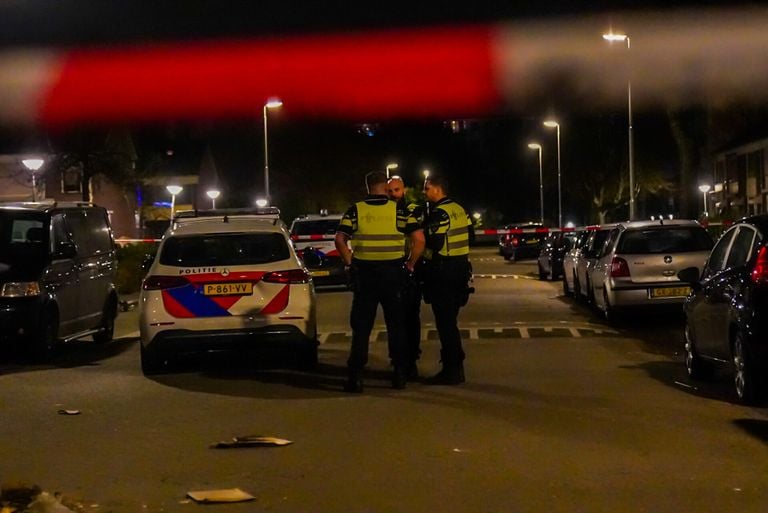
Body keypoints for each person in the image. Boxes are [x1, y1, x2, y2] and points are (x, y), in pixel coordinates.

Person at [335, 171, 425, 393]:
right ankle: (399, 374)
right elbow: (419, 240)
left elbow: (340, 239)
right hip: (394, 275)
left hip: (365, 276)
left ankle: (356, 376)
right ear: (385, 187)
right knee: (397, 325)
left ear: (367, 188)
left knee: (361, 327)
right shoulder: (400, 210)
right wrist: (410, 264)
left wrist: (349, 263)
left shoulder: (356, 210)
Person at [421, 173, 473, 385]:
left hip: (444, 273)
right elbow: (472, 236)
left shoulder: (439, 214)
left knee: (445, 324)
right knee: (451, 321)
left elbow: (433, 245)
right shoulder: (460, 210)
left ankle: (452, 369)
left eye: (426, 188)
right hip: (460, 269)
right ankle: (455, 367)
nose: (424, 192)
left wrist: (419, 255)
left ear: (437, 189)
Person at [387, 175, 426, 379]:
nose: (393, 194)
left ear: (403, 191)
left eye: (396, 190)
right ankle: (398, 360)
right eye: (390, 190)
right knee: (396, 319)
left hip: (409, 270)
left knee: (410, 317)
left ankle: (410, 360)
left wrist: (411, 264)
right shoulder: (385, 212)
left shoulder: (412, 211)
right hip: (392, 269)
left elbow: (419, 240)